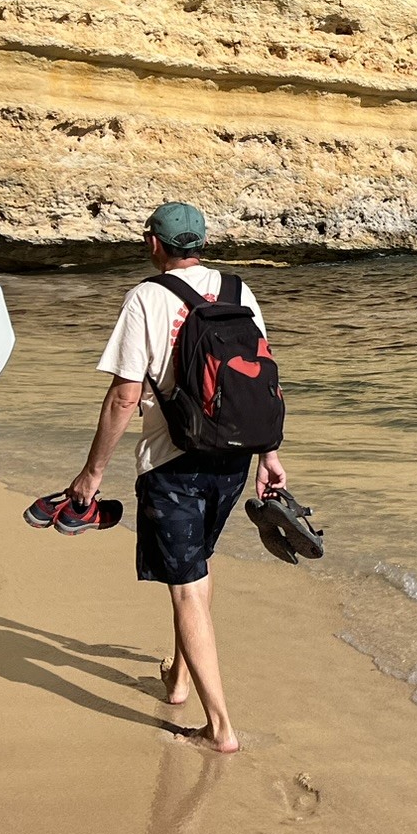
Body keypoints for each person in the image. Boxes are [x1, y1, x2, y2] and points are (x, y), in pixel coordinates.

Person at [67, 202, 283, 755]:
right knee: (196, 574)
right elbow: (260, 379)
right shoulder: (238, 291)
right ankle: (180, 681)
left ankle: (220, 729)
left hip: (173, 463)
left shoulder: (146, 297)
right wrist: (270, 455)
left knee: (186, 588)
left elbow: (124, 396)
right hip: (232, 461)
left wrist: (92, 473)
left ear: (152, 243)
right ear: (203, 242)